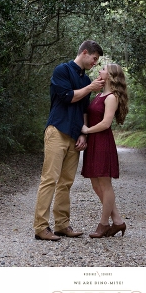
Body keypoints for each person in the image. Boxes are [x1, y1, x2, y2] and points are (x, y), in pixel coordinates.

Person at [33, 40, 104, 241]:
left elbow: (83, 111)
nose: (95, 63)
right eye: (94, 58)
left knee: (66, 183)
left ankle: (62, 225)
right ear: (84, 52)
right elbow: (67, 97)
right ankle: (40, 227)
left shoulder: (86, 80)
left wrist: (83, 134)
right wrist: (90, 88)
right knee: (49, 179)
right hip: (57, 130)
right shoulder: (62, 70)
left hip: (74, 135)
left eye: (97, 60)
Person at [80, 62, 129, 238]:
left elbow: (106, 123)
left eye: (103, 70)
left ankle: (103, 224)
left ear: (110, 75)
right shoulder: (100, 94)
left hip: (102, 142)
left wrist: (87, 130)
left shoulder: (111, 97)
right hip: (94, 142)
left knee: (105, 184)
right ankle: (118, 221)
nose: (99, 71)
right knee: (95, 183)